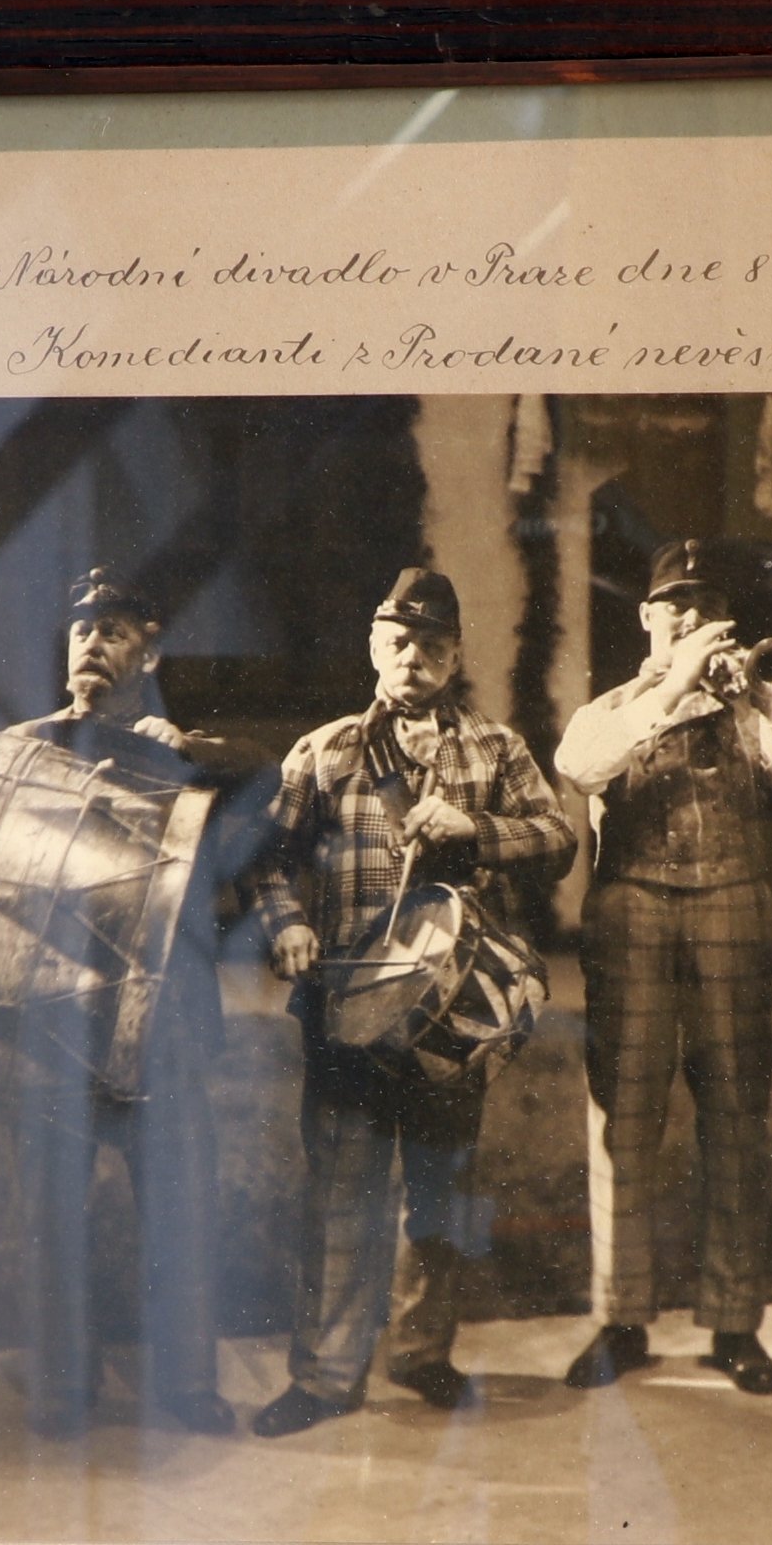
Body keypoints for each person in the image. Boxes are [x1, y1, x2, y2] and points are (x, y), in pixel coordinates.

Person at [0, 566, 253, 1441]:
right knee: (49, 1208)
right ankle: (64, 1384)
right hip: (49, 1018)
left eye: (113, 631)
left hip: (158, 1022)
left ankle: (186, 1382)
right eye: (81, 631)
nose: (92, 645)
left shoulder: (179, 753)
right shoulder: (20, 747)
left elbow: (259, 792)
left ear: (150, 652)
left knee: (179, 1202)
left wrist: (183, 746)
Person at [245, 566, 578, 1440]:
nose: (413, 658)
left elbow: (557, 837)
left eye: (432, 645)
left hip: (450, 1012)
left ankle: (424, 1353)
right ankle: (324, 1374)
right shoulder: (324, 752)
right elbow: (268, 860)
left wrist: (477, 830)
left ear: (455, 655)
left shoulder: (496, 748)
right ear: (373, 645)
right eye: (397, 641)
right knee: (340, 1194)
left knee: (440, 1187)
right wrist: (287, 925)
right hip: (346, 1010)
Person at [553, 538, 772, 1397]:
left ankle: (733, 1323)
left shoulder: (748, 709)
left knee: (735, 1113)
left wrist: (768, 705)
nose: (690, 618)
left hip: (730, 909)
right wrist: (673, 684)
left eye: (706, 606)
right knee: (623, 1113)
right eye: (674, 604)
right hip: (632, 915)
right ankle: (621, 1319)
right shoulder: (610, 707)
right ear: (647, 616)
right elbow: (579, 767)